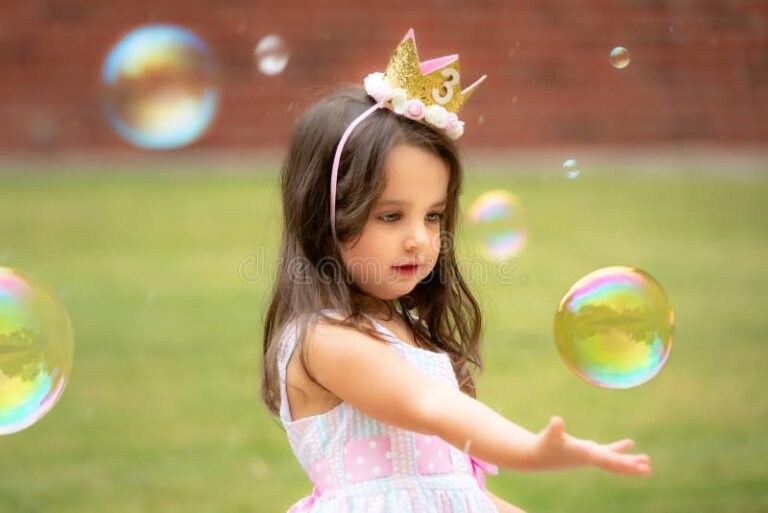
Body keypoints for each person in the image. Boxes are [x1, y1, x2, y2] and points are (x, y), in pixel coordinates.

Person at [260, 29, 651, 513]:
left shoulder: (411, 331)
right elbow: (431, 406)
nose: (419, 239)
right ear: (326, 219)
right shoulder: (325, 339)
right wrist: (529, 451)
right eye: (391, 216)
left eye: (433, 216)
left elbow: (456, 490)